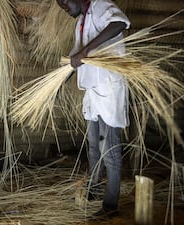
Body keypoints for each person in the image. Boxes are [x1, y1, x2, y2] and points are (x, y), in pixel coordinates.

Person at [56, 0, 130, 219]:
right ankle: (94, 188)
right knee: (93, 147)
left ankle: (110, 205)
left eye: (65, 3)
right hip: (93, 91)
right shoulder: (81, 21)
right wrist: (59, 80)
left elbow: (119, 23)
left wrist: (86, 52)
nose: (65, 8)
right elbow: (76, 57)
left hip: (109, 89)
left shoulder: (100, 6)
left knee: (111, 151)